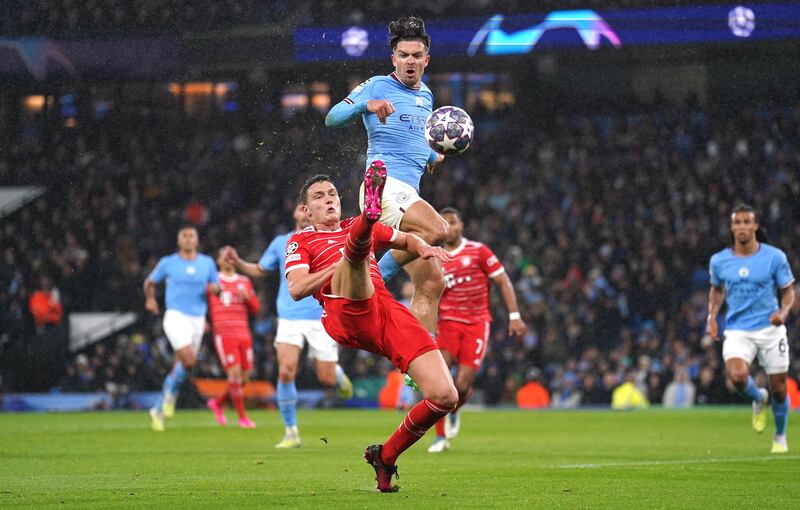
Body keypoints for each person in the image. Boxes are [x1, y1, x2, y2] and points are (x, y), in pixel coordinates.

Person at [284, 165, 457, 492]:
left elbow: (406, 239)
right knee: (357, 255)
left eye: (332, 193)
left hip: (385, 311)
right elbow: (296, 289)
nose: (329, 200)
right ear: (307, 211)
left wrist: (424, 248)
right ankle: (370, 216)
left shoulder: (352, 227)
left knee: (445, 396)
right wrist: (337, 265)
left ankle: (386, 456)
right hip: (344, 310)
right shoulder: (301, 241)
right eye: (319, 197)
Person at [325, 15, 447, 335]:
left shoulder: (428, 96)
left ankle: (417, 366)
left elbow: (417, 138)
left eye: (416, 55)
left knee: (433, 281)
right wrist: (364, 105)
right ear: (394, 58)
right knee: (437, 230)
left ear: (426, 60)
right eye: (403, 55)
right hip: (383, 184)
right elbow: (332, 118)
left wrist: (434, 155)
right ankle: (372, 274)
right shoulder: (378, 84)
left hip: (408, 191)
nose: (410, 61)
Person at [223, 203, 353, 448]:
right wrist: (238, 262)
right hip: (289, 316)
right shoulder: (282, 242)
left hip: (320, 314)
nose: (305, 213)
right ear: (296, 213)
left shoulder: (328, 238)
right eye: (301, 208)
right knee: (285, 371)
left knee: (325, 378)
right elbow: (261, 270)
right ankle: (291, 431)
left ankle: (335, 374)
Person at [427, 207, 527, 452]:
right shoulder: (435, 256)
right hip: (447, 324)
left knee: (461, 385)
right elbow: (428, 294)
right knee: (441, 382)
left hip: (477, 323)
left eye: (453, 221)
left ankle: (454, 410)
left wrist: (514, 316)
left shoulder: (478, 251)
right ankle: (440, 438)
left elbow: (503, 280)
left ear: (461, 224)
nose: (449, 227)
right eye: (444, 223)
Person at [707, 204, 794, 453]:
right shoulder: (720, 260)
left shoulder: (774, 257)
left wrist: (784, 311)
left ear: (755, 226)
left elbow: (788, 290)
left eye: (747, 222)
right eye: (737, 222)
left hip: (770, 329)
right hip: (738, 329)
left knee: (779, 388)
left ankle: (779, 436)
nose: (742, 227)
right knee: (736, 376)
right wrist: (712, 316)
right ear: (731, 228)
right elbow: (716, 289)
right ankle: (758, 397)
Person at [144, 226, 219, 431]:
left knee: (185, 366)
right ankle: (170, 396)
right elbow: (149, 282)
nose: (187, 239)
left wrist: (215, 290)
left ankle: (159, 408)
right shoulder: (168, 263)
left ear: (196, 241)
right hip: (175, 316)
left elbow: (217, 287)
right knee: (189, 359)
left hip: (197, 319)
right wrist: (150, 300)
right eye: (184, 236)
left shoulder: (207, 263)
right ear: (179, 241)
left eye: (191, 236)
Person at [206, 248, 261, 429]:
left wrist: (248, 298)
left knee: (244, 378)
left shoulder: (244, 281)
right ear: (218, 260)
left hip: (243, 333)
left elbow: (256, 308)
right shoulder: (212, 280)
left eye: (231, 256)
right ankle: (242, 417)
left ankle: (218, 403)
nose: (229, 260)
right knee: (234, 374)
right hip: (224, 334)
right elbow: (200, 302)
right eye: (225, 256)